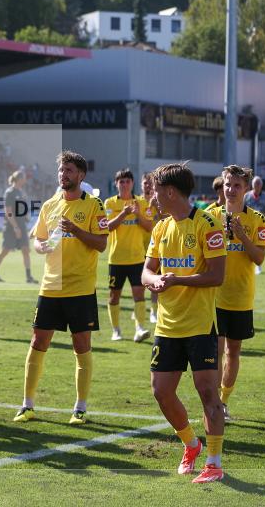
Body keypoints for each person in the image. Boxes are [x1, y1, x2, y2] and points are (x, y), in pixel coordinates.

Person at [142, 162, 227, 483]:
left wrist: (179, 280)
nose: (153, 197)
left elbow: (217, 276)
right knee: (161, 392)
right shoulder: (161, 228)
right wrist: (155, 280)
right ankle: (191, 444)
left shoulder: (207, 224)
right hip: (167, 326)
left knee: (208, 394)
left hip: (200, 326)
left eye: (156, 191)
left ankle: (215, 463)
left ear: (171, 192)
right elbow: (146, 270)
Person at [14, 151, 107, 426]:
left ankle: (79, 407)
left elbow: (101, 244)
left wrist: (76, 229)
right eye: (61, 170)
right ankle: (27, 404)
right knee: (37, 342)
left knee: (81, 345)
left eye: (68, 170)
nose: (63, 175)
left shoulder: (94, 205)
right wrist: (41, 246)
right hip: (50, 286)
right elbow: (38, 240)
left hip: (80, 288)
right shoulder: (50, 205)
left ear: (81, 175)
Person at [206, 165, 265, 422]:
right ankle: (215, 403)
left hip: (241, 296)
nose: (230, 190)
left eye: (236, 186)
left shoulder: (257, 219)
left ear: (246, 189)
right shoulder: (209, 216)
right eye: (227, 185)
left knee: (233, 352)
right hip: (214, 297)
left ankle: (224, 399)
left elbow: (259, 259)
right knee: (217, 350)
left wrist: (242, 235)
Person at [103, 168, 154, 342]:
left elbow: (149, 227)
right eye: (121, 181)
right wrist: (124, 214)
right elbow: (107, 227)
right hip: (116, 258)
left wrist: (138, 213)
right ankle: (116, 330)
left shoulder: (141, 202)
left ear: (132, 183)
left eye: (127, 181)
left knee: (139, 294)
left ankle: (139, 328)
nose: (124, 184)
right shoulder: (110, 203)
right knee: (113, 296)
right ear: (116, 184)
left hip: (137, 258)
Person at [0, 170, 37, 284]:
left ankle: (28, 277)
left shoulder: (21, 192)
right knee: (5, 250)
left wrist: (25, 216)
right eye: (23, 178)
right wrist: (15, 227)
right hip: (11, 227)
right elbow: (8, 212)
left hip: (22, 225)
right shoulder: (10, 192)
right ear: (18, 179)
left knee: (26, 250)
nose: (25, 180)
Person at [140, 173, 161, 323]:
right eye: (145, 183)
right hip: (138, 248)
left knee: (155, 281)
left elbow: (164, 219)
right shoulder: (137, 202)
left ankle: (154, 312)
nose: (147, 185)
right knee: (139, 284)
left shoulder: (160, 202)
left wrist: (155, 207)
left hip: (155, 250)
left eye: (150, 183)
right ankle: (139, 310)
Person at [245, 176, 265, 275]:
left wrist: (262, 214)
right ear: (252, 185)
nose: (257, 186)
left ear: (261, 185)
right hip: (248, 225)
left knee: (259, 246)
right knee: (248, 244)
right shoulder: (247, 196)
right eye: (255, 184)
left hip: (261, 225)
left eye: (258, 184)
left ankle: (258, 266)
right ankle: (248, 265)